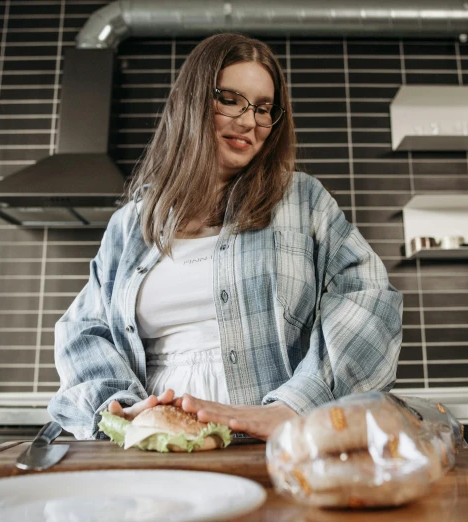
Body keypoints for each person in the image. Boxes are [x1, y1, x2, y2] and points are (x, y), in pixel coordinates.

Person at [47, 33, 403, 441]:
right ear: (192, 102)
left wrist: (294, 405)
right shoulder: (131, 225)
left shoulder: (302, 201)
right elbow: (84, 329)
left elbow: (371, 298)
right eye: (230, 99)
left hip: (272, 443)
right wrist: (119, 409)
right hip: (158, 445)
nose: (250, 121)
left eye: (264, 109)